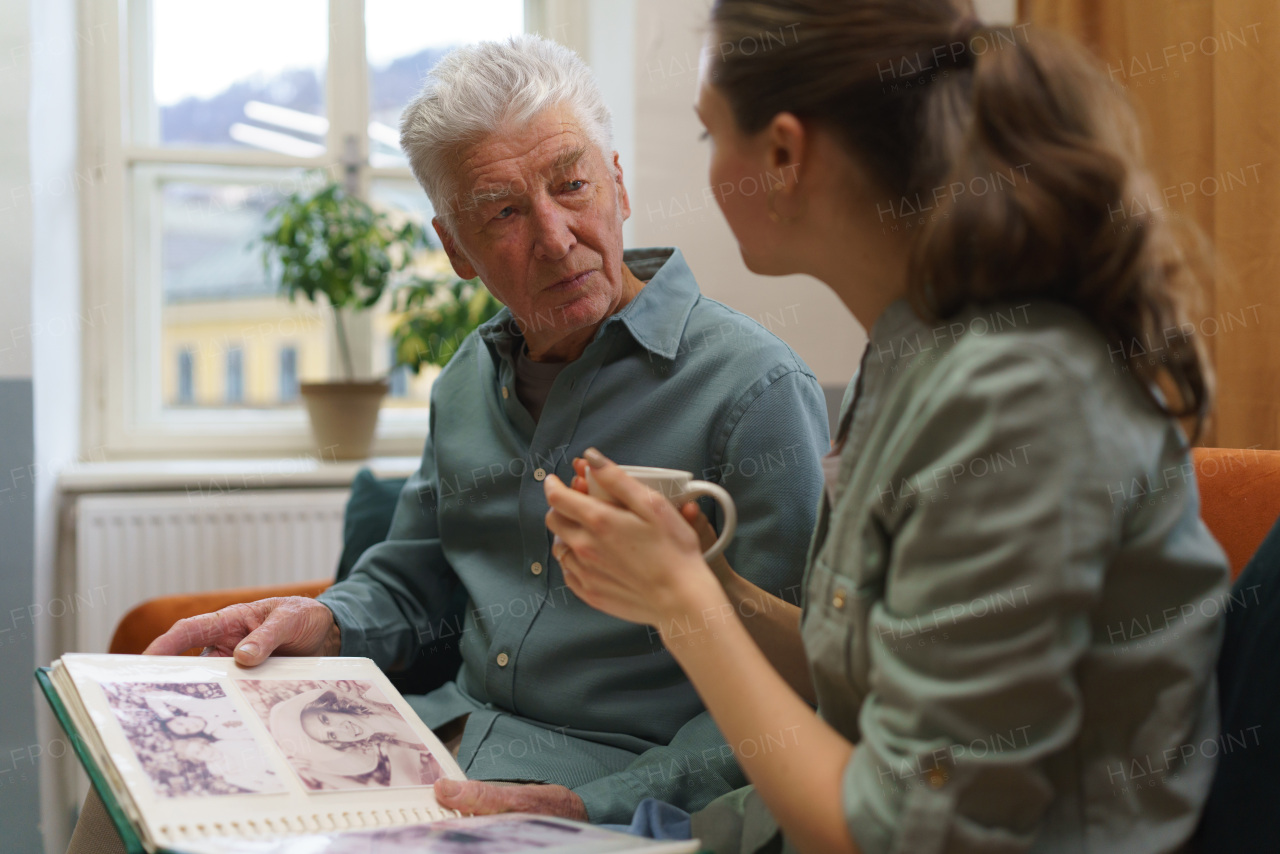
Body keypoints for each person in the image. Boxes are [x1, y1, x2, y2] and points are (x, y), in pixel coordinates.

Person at [543, 1, 1231, 852]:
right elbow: (868, 671)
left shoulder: (1015, 398)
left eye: (707, 136)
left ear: (785, 155)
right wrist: (703, 578)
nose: (709, 170)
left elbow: (899, 833)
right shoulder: (909, 354)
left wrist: (681, 605)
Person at [140, 33, 828, 828]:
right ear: (455, 247)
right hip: (424, 749)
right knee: (146, 797)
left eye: (572, 185)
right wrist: (323, 619)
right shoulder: (468, 377)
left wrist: (595, 804)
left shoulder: (756, 389)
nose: (555, 235)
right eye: (504, 211)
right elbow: (415, 582)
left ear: (619, 185)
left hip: (611, 796)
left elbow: (797, 692)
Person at [267, 686, 445, 789]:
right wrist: (313, 772)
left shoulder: (377, 694)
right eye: (332, 735)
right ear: (339, 743)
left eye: (325, 719)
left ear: (329, 707)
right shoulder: (395, 751)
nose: (341, 729)